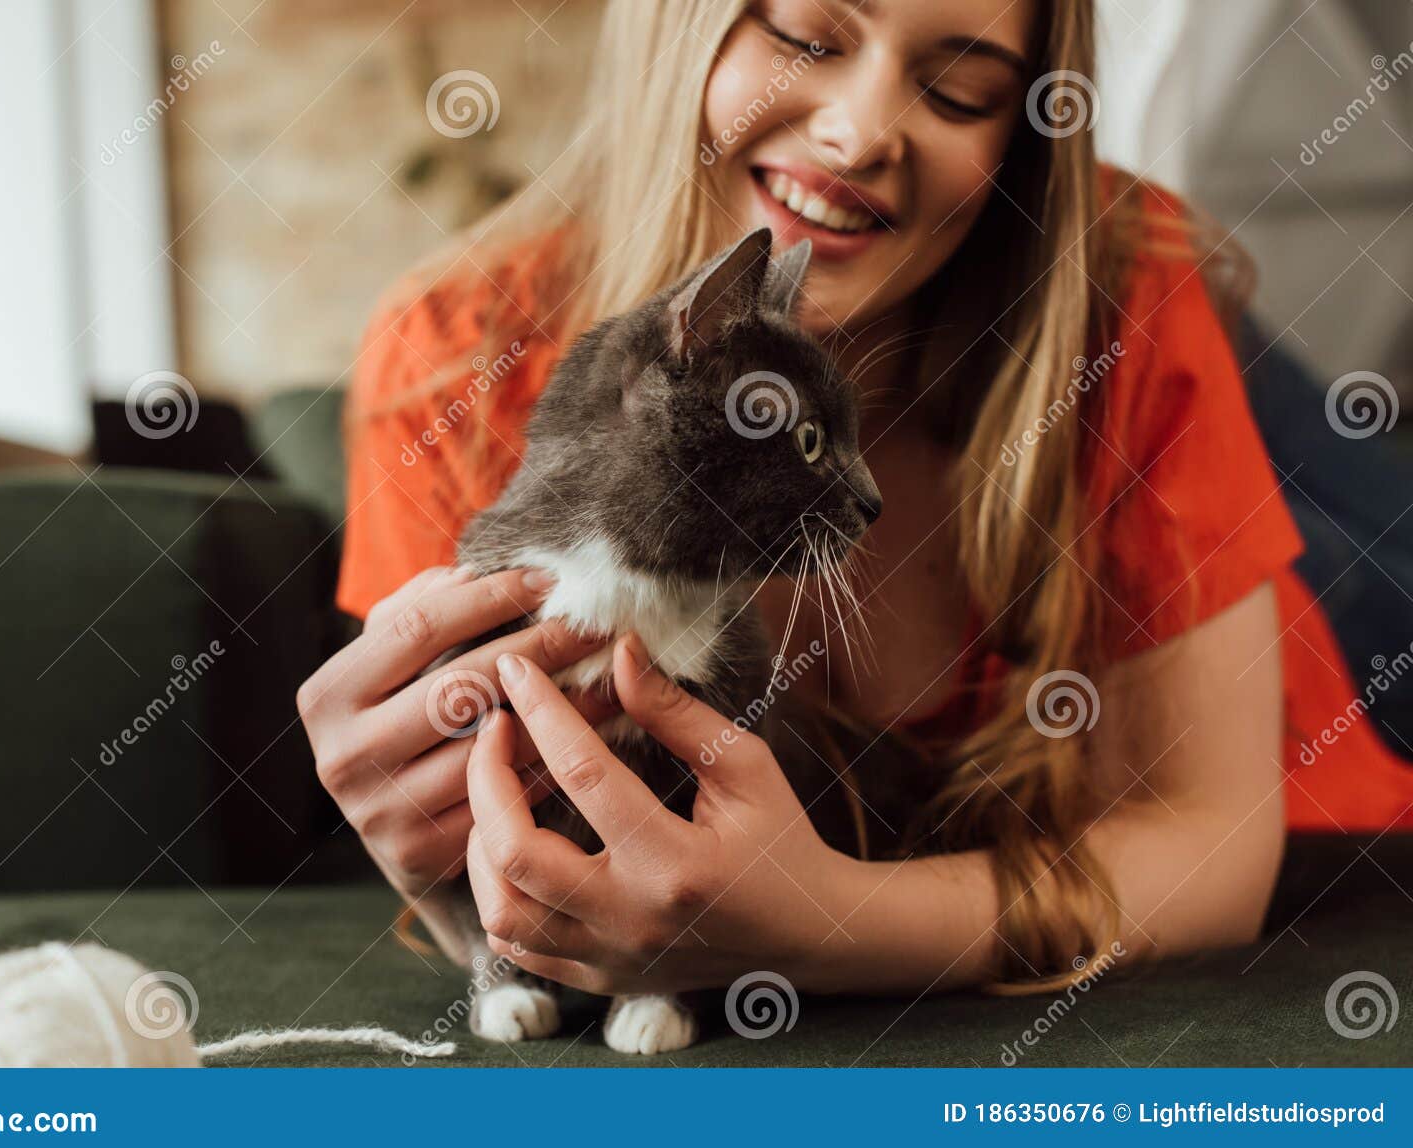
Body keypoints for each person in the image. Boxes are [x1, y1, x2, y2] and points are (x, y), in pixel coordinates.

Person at [297, 0, 1413, 1000]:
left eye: (960, 89)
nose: (860, 133)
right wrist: (432, 860)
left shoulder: (1118, 304)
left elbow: (1212, 854)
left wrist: (824, 928)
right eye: (805, 38)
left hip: (1342, 712)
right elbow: (521, 879)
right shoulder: (451, 363)